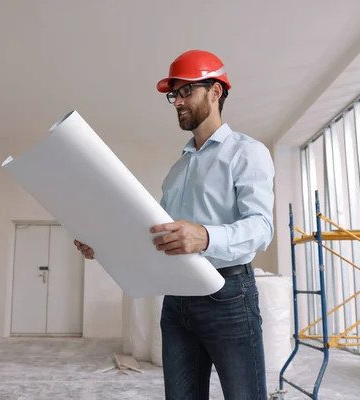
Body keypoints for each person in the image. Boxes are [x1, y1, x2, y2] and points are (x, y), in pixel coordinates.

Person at [74, 49, 275, 400]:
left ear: (216, 92)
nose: (177, 102)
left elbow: (261, 228)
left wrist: (206, 236)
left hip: (228, 296)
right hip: (177, 301)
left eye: (186, 92)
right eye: (174, 94)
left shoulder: (247, 152)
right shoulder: (178, 170)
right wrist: (104, 246)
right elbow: (158, 239)